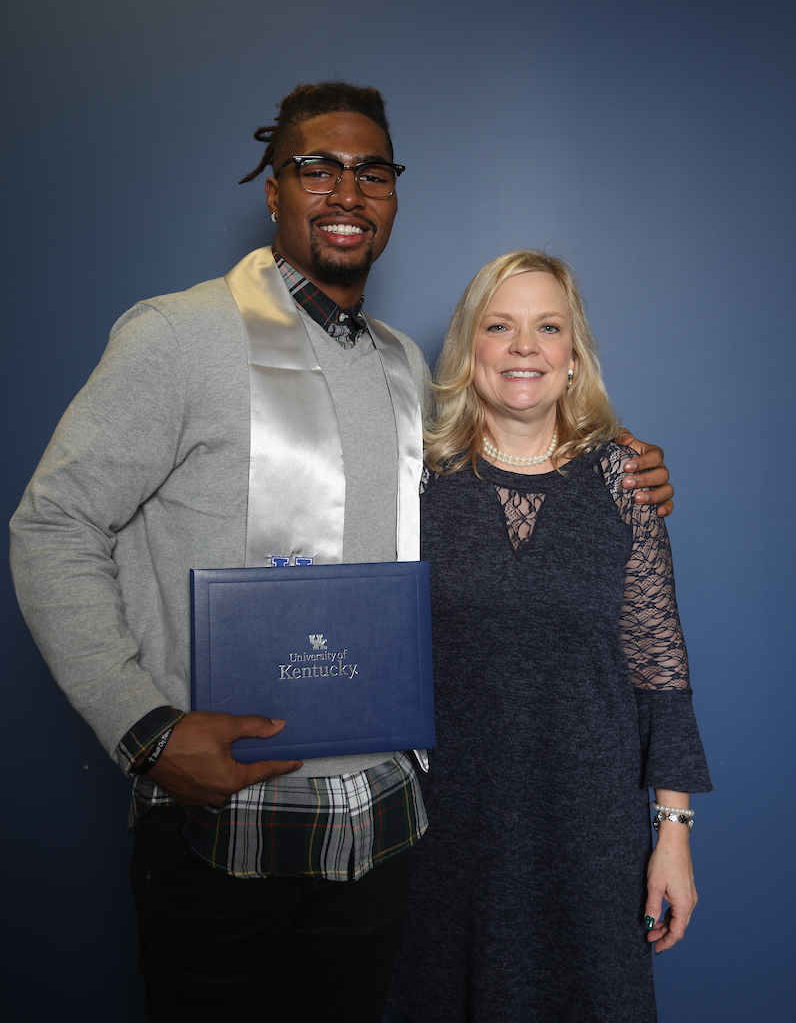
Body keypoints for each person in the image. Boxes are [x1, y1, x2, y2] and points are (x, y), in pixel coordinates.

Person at [9, 87, 673, 1022]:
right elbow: (53, 526)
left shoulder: (407, 369)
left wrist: (622, 465)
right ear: (272, 189)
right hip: (225, 820)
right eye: (315, 168)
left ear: (394, 197)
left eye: (372, 172)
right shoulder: (178, 336)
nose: (345, 192)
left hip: (387, 831)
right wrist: (144, 728)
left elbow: (514, 461)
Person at [389, 250, 711, 1023]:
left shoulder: (625, 484)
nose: (524, 345)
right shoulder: (416, 486)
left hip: (589, 832)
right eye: (499, 327)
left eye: (547, 327)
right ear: (471, 353)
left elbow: (659, 671)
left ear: (574, 356)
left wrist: (673, 833)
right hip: (445, 835)